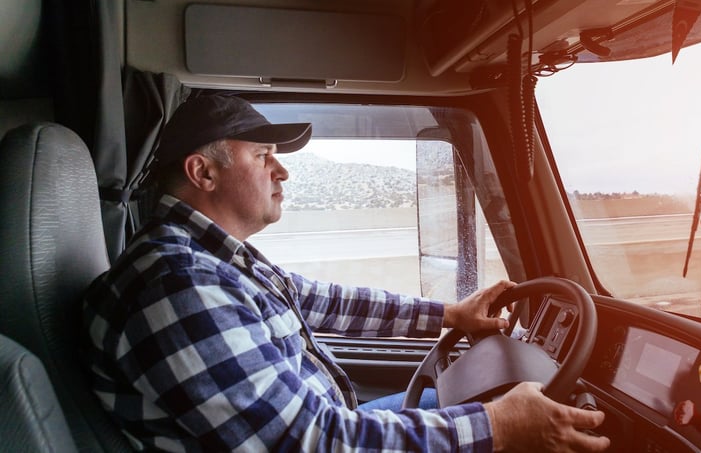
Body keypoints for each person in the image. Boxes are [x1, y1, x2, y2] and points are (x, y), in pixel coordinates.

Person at [82, 94, 610, 452]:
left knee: (451, 404)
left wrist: (451, 314)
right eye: (263, 155)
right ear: (203, 172)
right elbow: (310, 442)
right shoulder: (177, 286)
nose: (282, 170)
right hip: (320, 439)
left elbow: (321, 301)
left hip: (327, 426)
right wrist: (500, 427)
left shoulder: (215, 260)